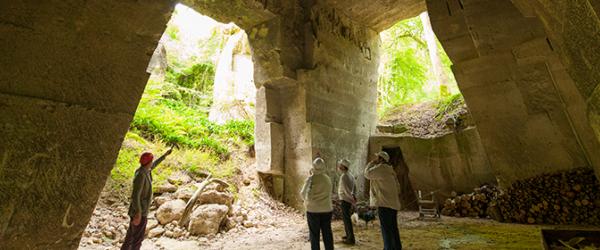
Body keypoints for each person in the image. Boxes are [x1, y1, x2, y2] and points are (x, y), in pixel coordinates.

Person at [121, 148, 173, 250]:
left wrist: (165, 155)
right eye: (152, 160)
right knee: (137, 238)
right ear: (148, 162)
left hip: (140, 210)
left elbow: (154, 165)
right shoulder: (141, 175)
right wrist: (138, 213)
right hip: (139, 211)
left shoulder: (145, 170)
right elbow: (136, 195)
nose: (153, 162)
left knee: (131, 236)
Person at [364, 151, 403, 250]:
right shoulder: (391, 171)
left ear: (381, 159)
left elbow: (367, 174)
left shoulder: (381, 168)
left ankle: (388, 248)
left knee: (386, 230)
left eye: (377, 157)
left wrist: (371, 163)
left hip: (384, 205)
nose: (376, 159)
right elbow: (398, 189)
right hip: (393, 204)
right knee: (393, 228)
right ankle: (396, 247)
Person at [300, 155, 334, 250]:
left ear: (313, 166)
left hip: (313, 210)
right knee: (327, 233)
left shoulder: (311, 179)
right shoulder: (327, 179)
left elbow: (302, 193)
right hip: (327, 209)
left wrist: (307, 201)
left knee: (314, 235)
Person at [337, 159, 356, 245]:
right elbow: (354, 188)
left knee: (347, 220)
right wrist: (353, 197)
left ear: (343, 167)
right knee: (346, 219)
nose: (339, 166)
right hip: (348, 199)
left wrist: (352, 200)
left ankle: (350, 239)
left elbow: (346, 190)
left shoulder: (344, 176)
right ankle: (348, 235)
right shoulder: (350, 175)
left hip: (345, 200)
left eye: (340, 165)